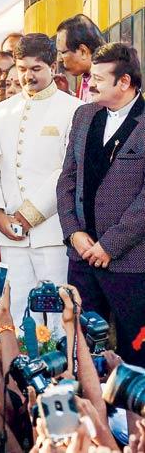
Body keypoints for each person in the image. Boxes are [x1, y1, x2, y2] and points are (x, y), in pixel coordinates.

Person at [0, 34, 82, 326]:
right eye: (22, 68)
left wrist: (27, 216)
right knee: (16, 309)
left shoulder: (73, 109)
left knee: (56, 314)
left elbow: (66, 170)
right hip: (8, 233)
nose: (28, 76)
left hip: (51, 231)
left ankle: (61, 371)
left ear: (53, 66)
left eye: (36, 68)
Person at [57, 42, 145, 365]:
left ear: (124, 82)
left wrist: (108, 245)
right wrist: (74, 234)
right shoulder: (84, 115)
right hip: (81, 258)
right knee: (79, 348)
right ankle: (88, 413)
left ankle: (134, 417)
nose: (90, 84)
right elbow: (66, 179)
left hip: (130, 264)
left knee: (136, 353)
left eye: (99, 79)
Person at [56, 14, 104, 102]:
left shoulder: (107, 85)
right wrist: (67, 94)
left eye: (62, 52)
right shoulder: (86, 78)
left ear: (83, 51)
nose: (59, 59)